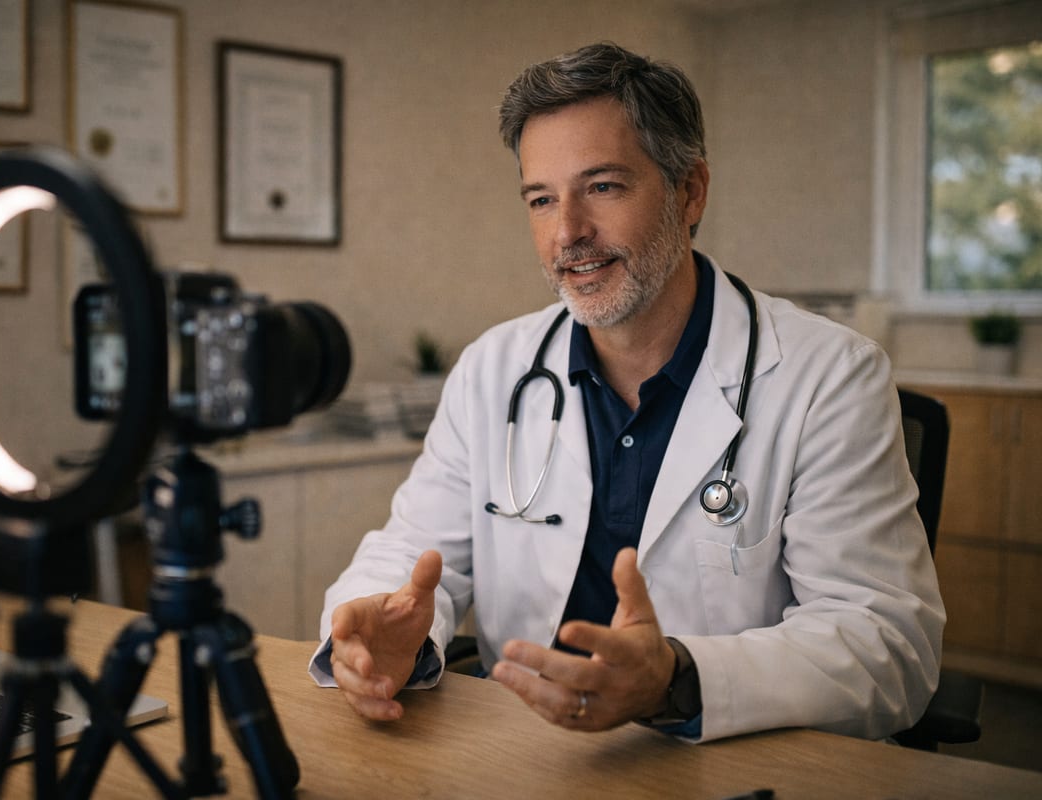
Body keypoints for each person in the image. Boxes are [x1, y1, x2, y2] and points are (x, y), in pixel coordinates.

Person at [308, 41, 944, 743]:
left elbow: (888, 646)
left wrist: (677, 678)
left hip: (718, 756)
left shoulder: (829, 377)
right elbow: (411, 553)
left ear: (690, 190)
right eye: (541, 200)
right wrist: (383, 632)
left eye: (603, 187)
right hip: (520, 752)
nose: (568, 233)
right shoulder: (494, 369)